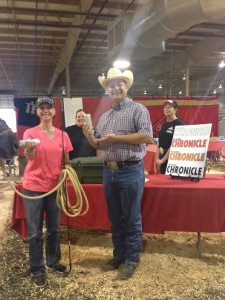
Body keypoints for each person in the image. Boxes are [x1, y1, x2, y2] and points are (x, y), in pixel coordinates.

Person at [83, 67, 153, 280]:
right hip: (109, 171)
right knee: (114, 217)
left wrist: (118, 139)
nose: (115, 88)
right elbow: (100, 145)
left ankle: (132, 259)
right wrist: (89, 137)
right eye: (111, 85)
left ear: (126, 86)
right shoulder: (104, 117)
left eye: (119, 84)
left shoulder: (138, 109)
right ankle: (118, 255)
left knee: (131, 217)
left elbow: (147, 137)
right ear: (107, 90)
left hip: (130, 169)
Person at [22, 96, 73, 287]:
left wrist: (66, 172)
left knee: (54, 228)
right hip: (34, 187)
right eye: (41, 107)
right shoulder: (30, 133)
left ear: (54, 111)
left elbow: (66, 161)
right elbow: (29, 156)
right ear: (37, 112)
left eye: (48, 107)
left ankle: (53, 261)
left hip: (55, 187)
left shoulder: (63, 135)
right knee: (35, 232)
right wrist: (29, 150)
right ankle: (37, 269)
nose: (45, 110)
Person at [155, 100, 184, 174]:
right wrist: (157, 159)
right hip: (162, 160)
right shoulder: (165, 124)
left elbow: (175, 145)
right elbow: (159, 143)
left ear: (175, 110)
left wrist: (163, 160)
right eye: (165, 107)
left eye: (169, 107)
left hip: (172, 161)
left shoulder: (179, 124)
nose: (167, 109)